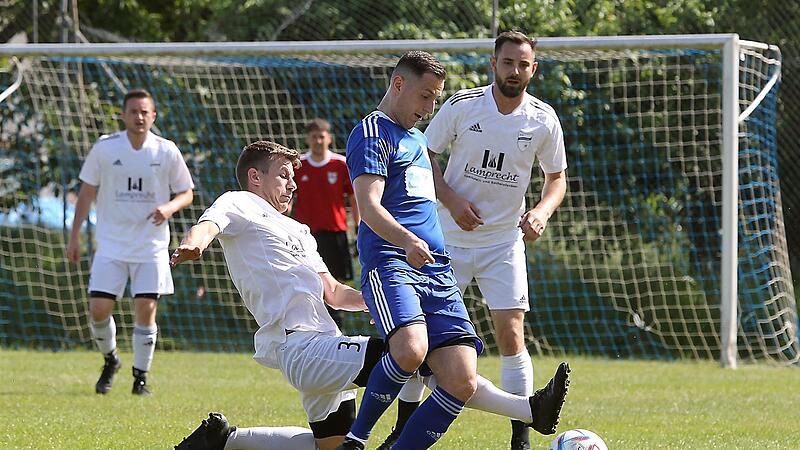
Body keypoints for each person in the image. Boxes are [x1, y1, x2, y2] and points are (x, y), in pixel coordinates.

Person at [170, 139, 569, 450]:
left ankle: (226, 440)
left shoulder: (301, 232)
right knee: (415, 357)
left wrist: (390, 293)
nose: (292, 183)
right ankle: (530, 409)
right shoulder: (240, 202)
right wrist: (194, 244)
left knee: (329, 444)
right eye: (283, 175)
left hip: (323, 345)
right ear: (255, 178)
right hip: (300, 347)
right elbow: (211, 223)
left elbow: (336, 294)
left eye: (294, 177)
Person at [382, 31, 569, 450]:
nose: (515, 71)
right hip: (445, 237)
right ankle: (403, 424)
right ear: (493, 63)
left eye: (523, 64)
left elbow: (556, 179)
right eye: (508, 62)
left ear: (533, 69)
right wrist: (450, 198)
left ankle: (520, 435)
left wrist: (540, 212)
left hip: (503, 242)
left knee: (511, 333)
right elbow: (423, 154)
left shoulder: (543, 118)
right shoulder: (462, 105)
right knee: (422, 335)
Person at [66, 88, 194, 396]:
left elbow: (187, 193)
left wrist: (169, 207)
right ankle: (111, 359)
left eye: (144, 112)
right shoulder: (105, 148)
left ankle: (140, 378)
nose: (138, 117)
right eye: (133, 111)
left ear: (153, 116)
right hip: (111, 243)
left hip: (150, 245)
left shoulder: (166, 151)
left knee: (146, 307)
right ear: (123, 115)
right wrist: (74, 236)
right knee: (98, 309)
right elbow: (86, 193)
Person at [291, 118, 360, 329]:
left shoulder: (340, 164)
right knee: (307, 282)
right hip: (305, 236)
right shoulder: (299, 166)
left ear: (329, 138)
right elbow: (289, 199)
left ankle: (337, 328)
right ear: (308, 139)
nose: (318, 141)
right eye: (314, 137)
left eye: (321, 136)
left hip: (335, 234)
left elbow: (354, 198)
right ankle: (311, 327)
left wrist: (359, 226)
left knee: (336, 283)